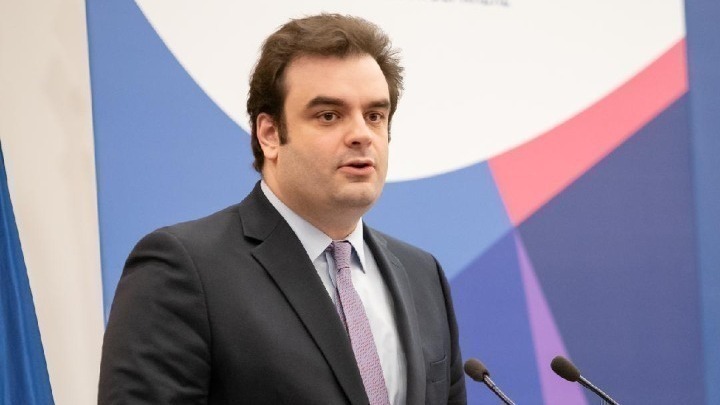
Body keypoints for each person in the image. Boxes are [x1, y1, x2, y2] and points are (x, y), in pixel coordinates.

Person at [99, 13, 466, 405]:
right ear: (270, 134)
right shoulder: (185, 269)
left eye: (375, 115)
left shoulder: (422, 275)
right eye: (329, 116)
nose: (362, 134)